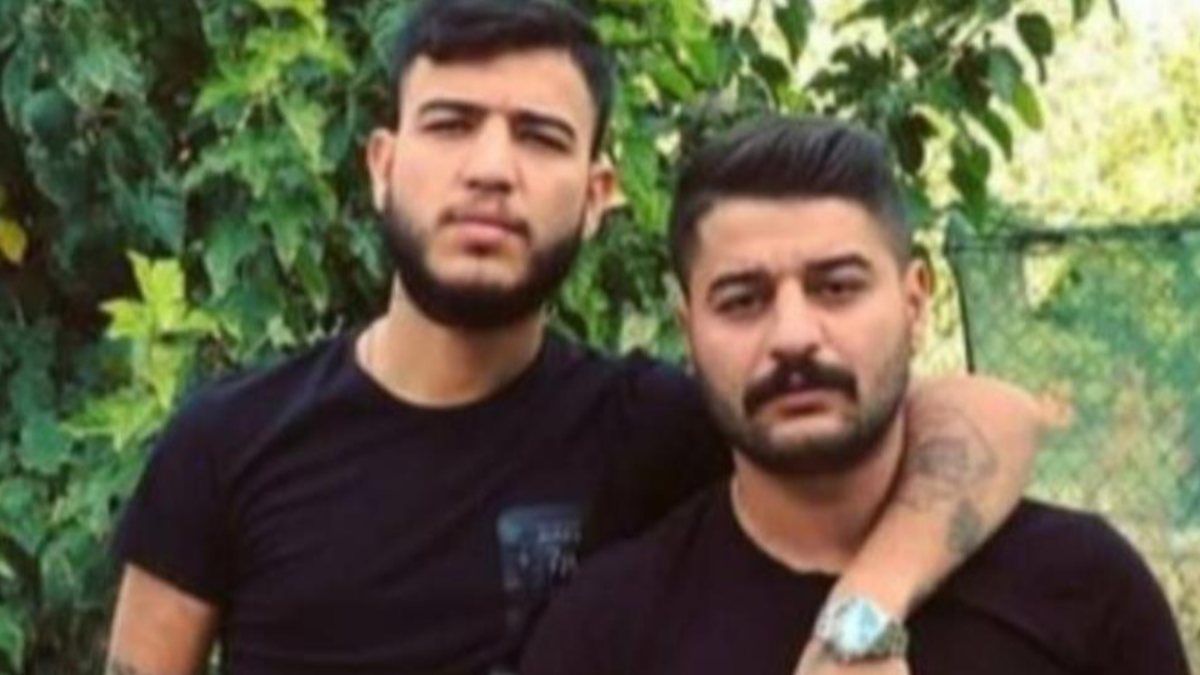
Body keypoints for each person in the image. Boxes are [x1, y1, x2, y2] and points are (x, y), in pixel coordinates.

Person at [105, 3, 1046, 674]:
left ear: (597, 195)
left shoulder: (656, 426)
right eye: (452, 124)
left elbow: (991, 418)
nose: (491, 168)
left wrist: (860, 620)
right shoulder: (228, 441)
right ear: (383, 166)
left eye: (540, 136)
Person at [519, 117, 1191, 675]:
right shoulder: (606, 631)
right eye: (743, 300)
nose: (793, 336)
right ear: (688, 330)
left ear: (914, 302)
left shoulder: (1082, 586)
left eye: (837, 287)